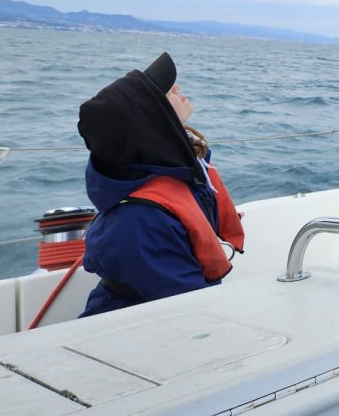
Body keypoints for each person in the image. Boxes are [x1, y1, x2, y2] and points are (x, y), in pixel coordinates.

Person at [76, 52, 245, 316]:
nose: (176, 87)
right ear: (152, 120)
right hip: (130, 332)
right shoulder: (141, 220)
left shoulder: (180, 172)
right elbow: (188, 310)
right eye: (165, 91)